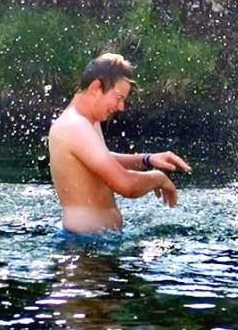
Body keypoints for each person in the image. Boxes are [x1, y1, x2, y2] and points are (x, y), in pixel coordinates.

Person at [48, 53, 192, 234]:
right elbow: (126, 185)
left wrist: (147, 159)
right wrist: (158, 178)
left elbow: (100, 159)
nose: (121, 107)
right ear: (96, 88)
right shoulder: (75, 126)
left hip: (94, 243)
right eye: (119, 98)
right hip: (85, 250)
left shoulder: (86, 121)